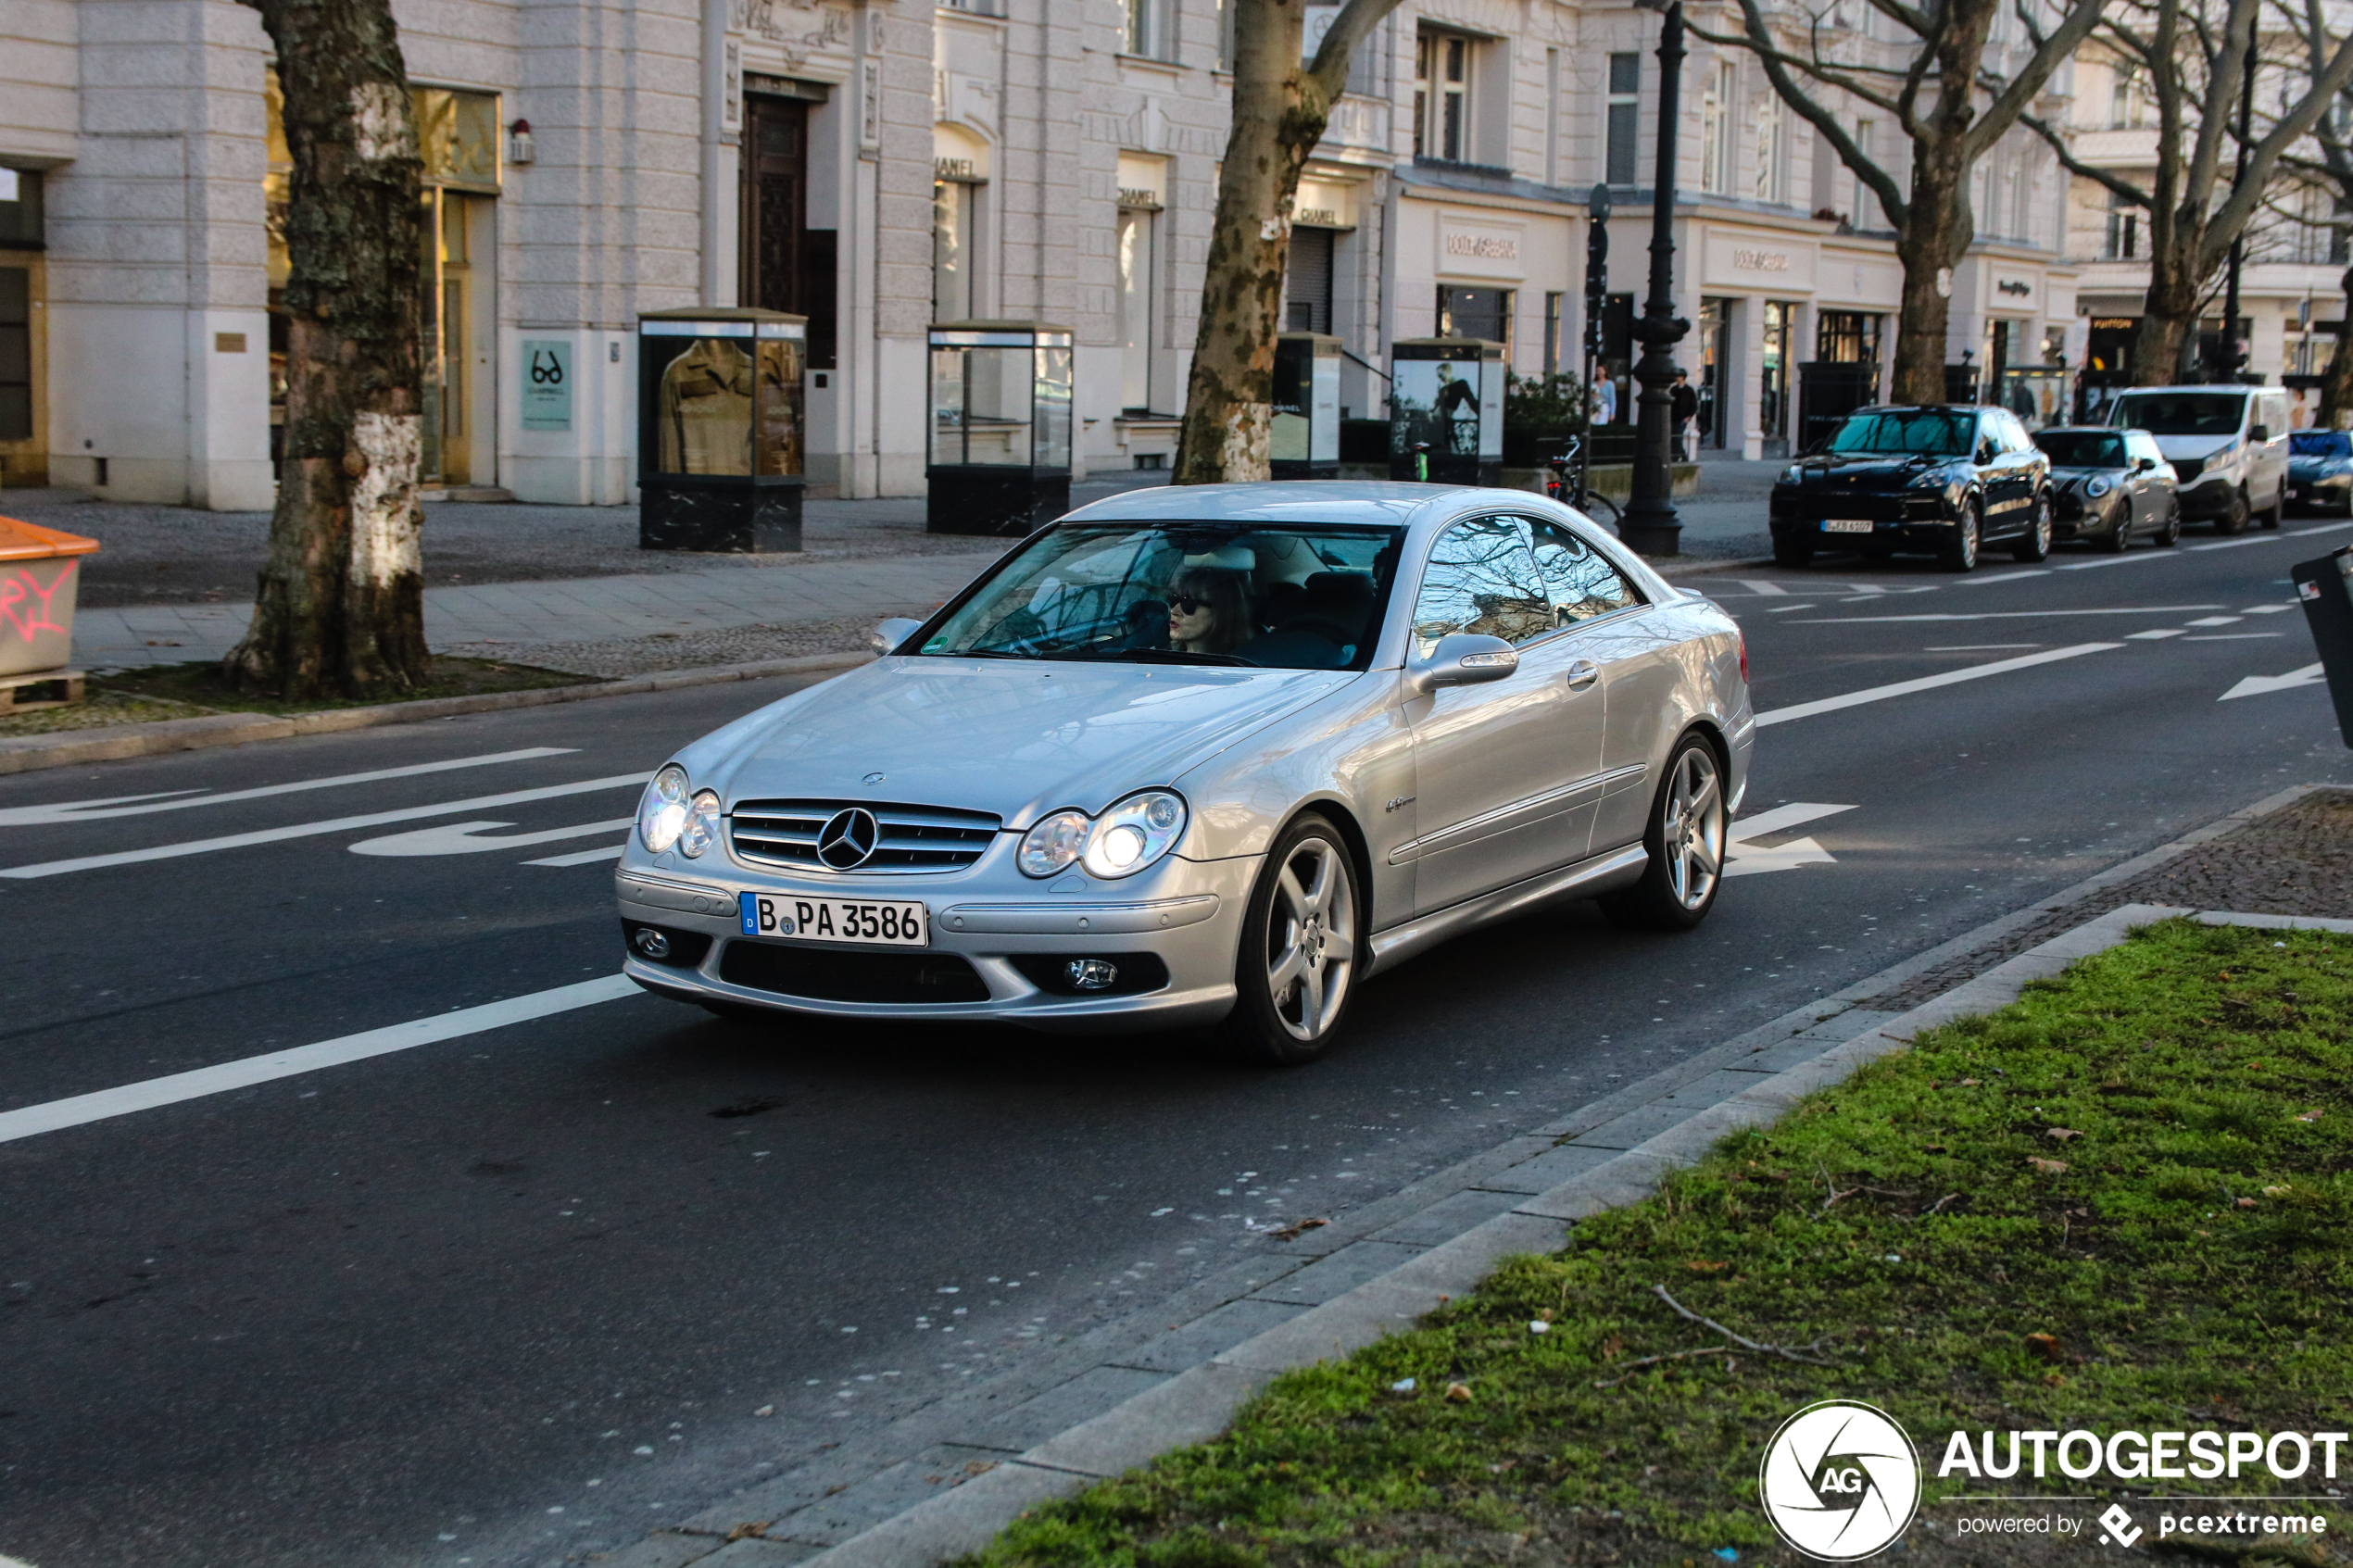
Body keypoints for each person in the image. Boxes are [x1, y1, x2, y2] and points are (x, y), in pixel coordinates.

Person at [1165, 567, 1252, 656]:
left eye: (1188, 603)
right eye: (1173, 600)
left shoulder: (1238, 666)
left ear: (1221, 613)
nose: (1174, 611)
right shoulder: (1162, 656)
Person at [1670, 370, 1699, 459]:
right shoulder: (1673, 390)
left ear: (1682, 377)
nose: (1676, 378)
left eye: (1678, 376)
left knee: (1678, 437)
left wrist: (1689, 416)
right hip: (1673, 417)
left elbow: (1693, 405)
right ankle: (1683, 455)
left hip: (1683, 418)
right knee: (1674, 437)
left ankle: (1676, 457)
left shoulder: (1689, 390)